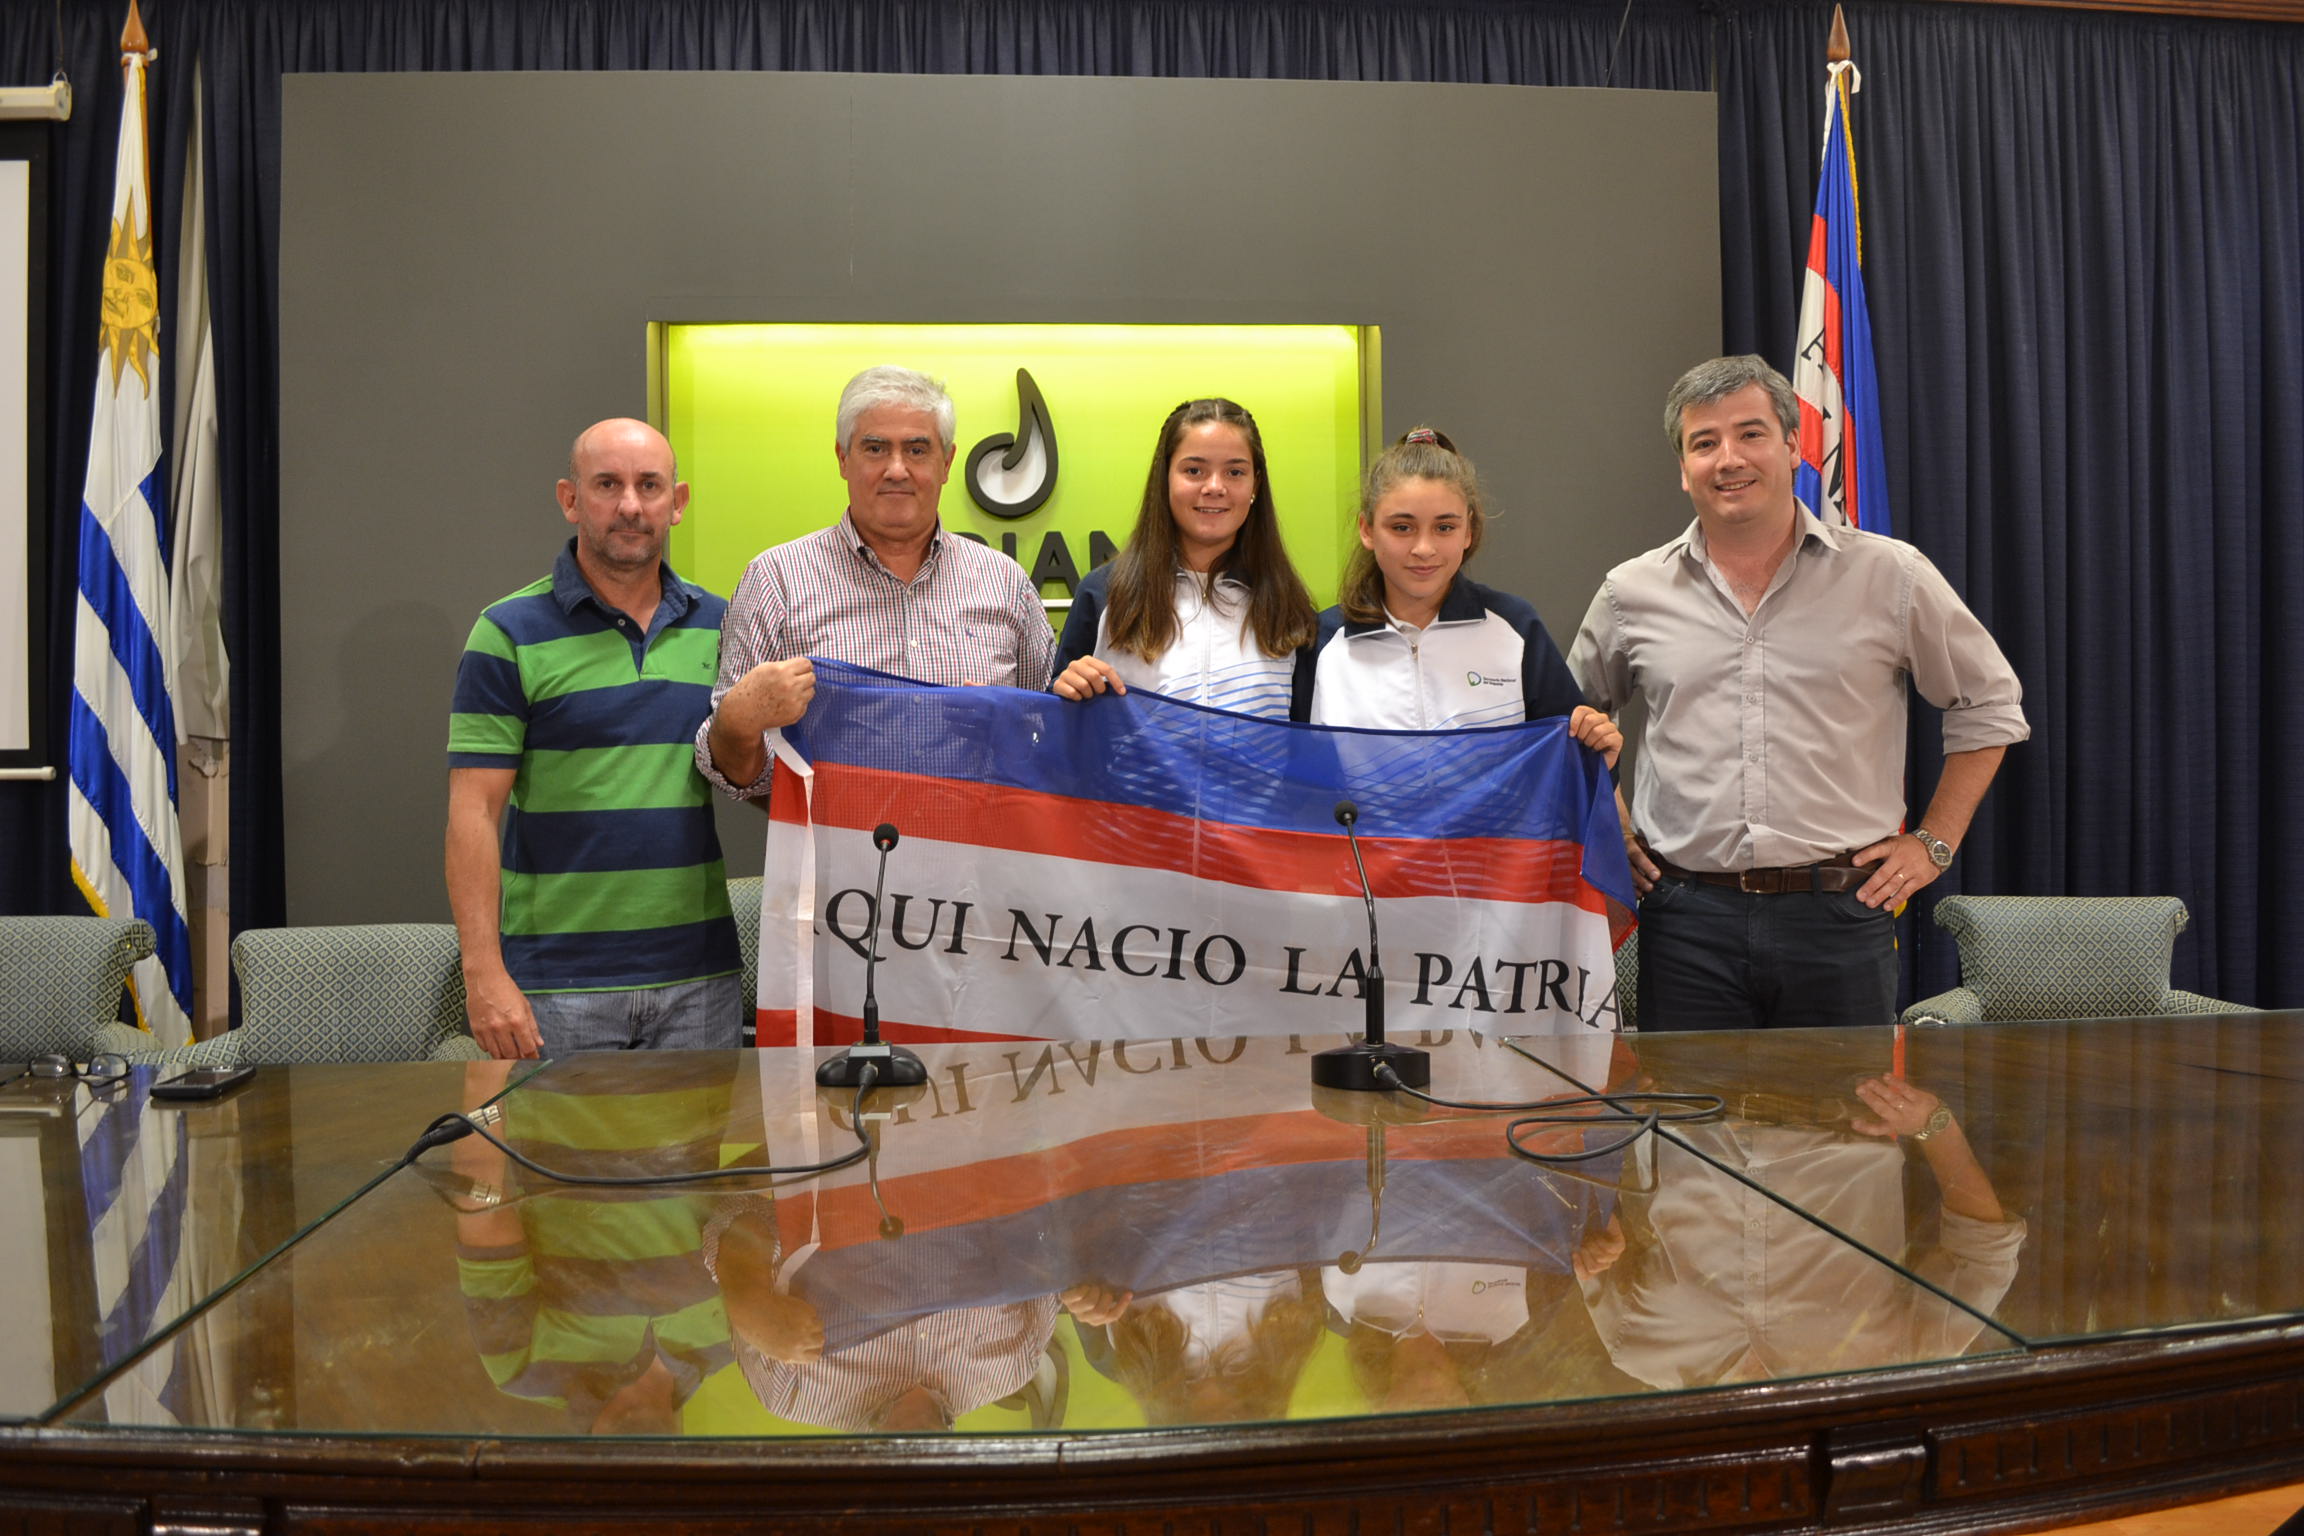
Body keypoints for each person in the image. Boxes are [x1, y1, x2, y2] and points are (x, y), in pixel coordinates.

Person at [1568, 354, 2030, 1031]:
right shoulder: (1630, 593)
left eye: (1750, 434)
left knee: (1842, 1106)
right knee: (1692, 1104)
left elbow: (1989, 705)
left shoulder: (1889, 575)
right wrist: (1618, 834)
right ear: (1684, 469)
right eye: (1705, 442)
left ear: (1793, 445)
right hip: (1687, 923)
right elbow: (1570, 727)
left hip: (1841, 917)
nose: (1729, 459)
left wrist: (1934, 842)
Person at [445, 418, 741, 1059]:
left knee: (706, 1134)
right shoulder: (508, 632)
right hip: (557, 986)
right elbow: (474, 812)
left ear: (678, 502)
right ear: (570, 499)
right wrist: (483, 973)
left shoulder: (724, 626)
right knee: (547, 1133)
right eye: (607, 484)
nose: (630, 505)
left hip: (699, 981)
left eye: (649, 485)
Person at [697, 366, 1058, 799]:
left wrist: (1015, 727)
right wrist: (739, 721)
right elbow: (731, 772)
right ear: (842, 458)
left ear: (947, 462)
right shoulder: (777, 580)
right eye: (875, 448)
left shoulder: (1005, 583)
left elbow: (1050, 738)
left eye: (917, 450)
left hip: (983, 841)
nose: (896, 469)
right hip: (830, 843)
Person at [1292, 427, 1620, 762]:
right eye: (1402, 527)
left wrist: (1600, 756)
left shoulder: (1516, 627)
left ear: (1468, 531)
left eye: (1444, 527)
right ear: (1367, 530)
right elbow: (1295, 774)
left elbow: (1574, 760)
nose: (1424, 548)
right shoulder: (1322, 642)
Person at [1051, 398, 1316, 718]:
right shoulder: (1104, 592)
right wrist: (1066, 691)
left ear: (1255, 485)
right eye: (1194, 470)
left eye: (1235, 472)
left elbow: (1307, 735)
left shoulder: (1289, 605)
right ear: (1164, 477)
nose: (1215, 487)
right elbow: (1057, 721)